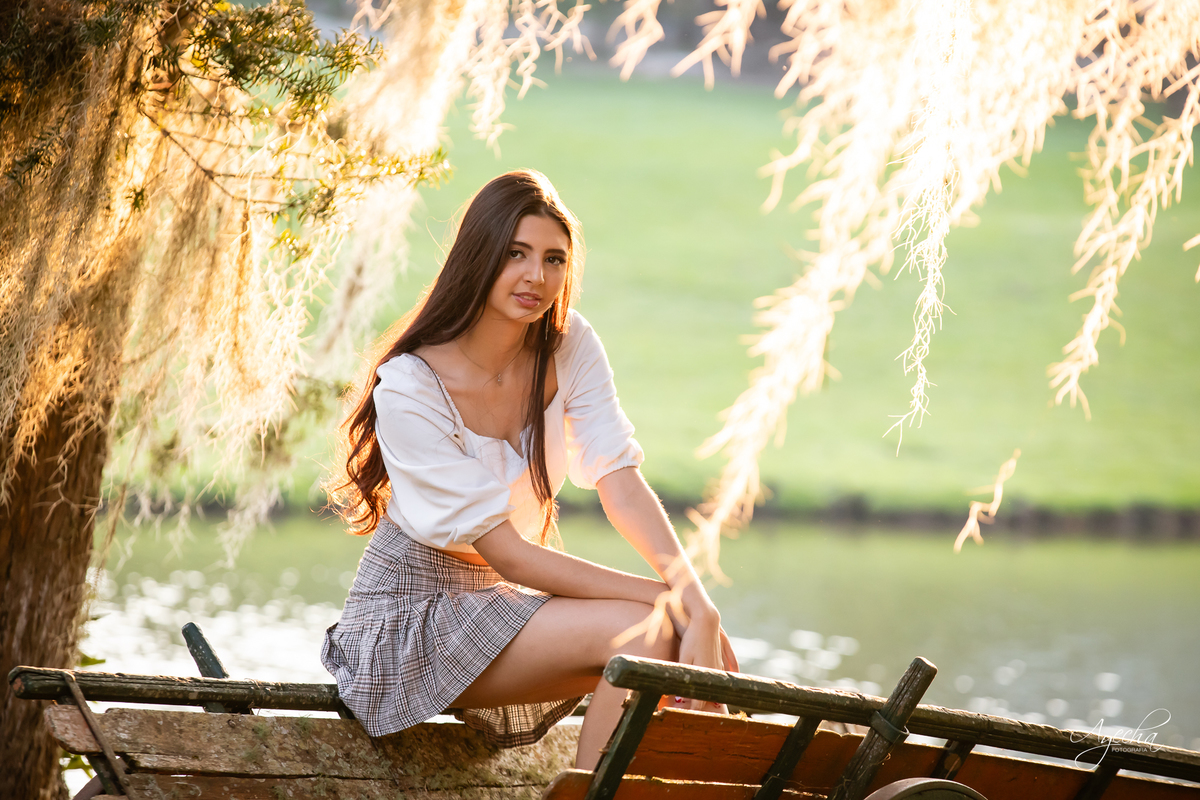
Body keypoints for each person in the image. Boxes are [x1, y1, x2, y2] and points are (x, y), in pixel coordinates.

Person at [322, 169, 735, 769]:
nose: (535, 277)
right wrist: (672, 600)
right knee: (648, 629)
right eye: (515, 253)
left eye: (554, 259)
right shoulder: (410, 385)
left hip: (497, 606)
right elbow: (510, 554)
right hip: (407, 622)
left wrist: (696, 597)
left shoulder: (569, 347)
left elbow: (619, 480)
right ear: (479, 255)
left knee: (653, 633)